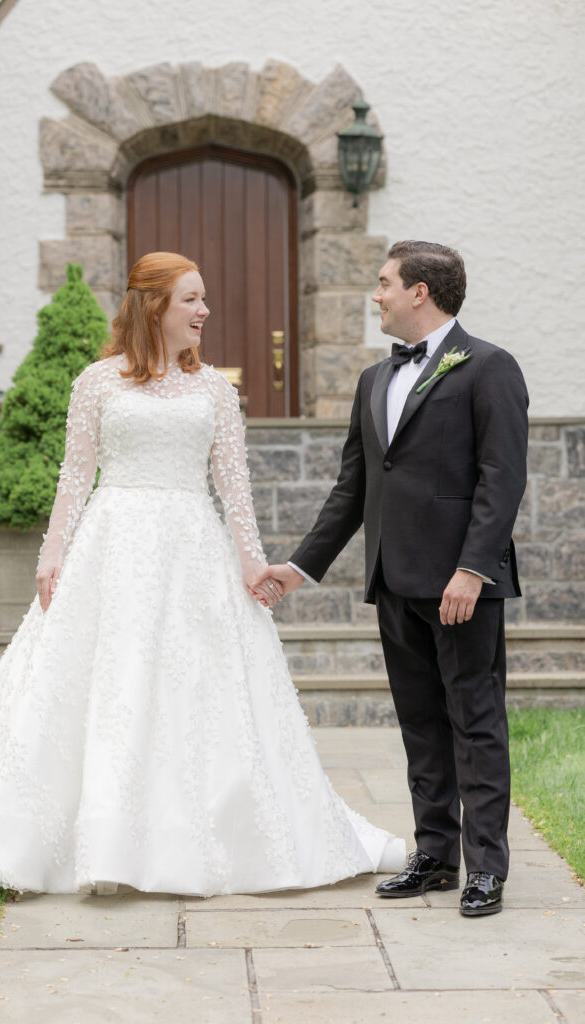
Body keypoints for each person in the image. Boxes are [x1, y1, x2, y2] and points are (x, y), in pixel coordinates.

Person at [0, 251, 405, 897]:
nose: (204, 311)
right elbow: (74, 477)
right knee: (105, 685)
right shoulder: (96, 382)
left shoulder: (215, 392)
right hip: (112, 548)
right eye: (191, 299)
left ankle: (193, 836)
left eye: (204, 300)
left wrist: (253, 563)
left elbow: (235, 489)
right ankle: (81, 834)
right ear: (154, 305)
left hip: (191, 551)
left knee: (197, 690)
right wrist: (50, 555)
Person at [255, 241, 528, 917]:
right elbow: (354, 487)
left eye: (382, 284)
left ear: (419, 292)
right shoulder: (373, 380)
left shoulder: (489, 367)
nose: (373, 295)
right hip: (393, 580)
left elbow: (502, 479)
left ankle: (486, 868)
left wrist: (471, 569)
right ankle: (435, 854)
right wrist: (298, 567)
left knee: (476, 723)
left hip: (460, 586)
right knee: (419, 725)